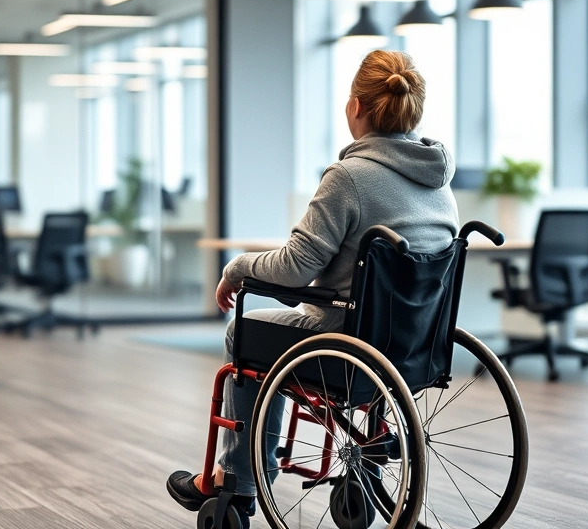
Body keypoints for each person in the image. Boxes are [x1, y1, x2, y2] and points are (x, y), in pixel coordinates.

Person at [166, 49, 460, 513]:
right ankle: (365, 464)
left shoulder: (347, 177)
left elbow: (295, 268)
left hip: (345, 343)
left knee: (242, 332)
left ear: (355, 107)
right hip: (414, 348)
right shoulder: (439, 184)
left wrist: (238, 266)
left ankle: (236, 479)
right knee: (326, 324)